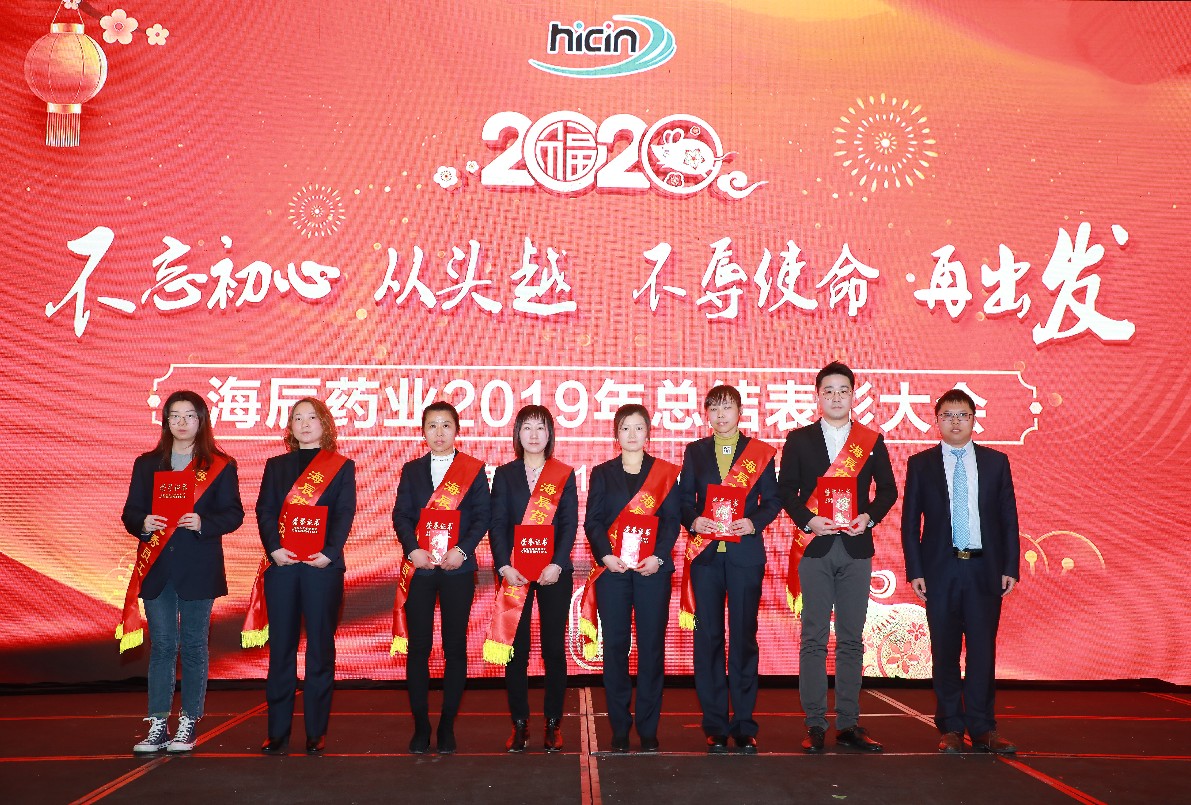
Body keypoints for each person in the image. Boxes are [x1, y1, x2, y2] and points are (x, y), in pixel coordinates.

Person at [777, 362, 897, 754]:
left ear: (853, 395)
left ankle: (848, 724)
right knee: (813, 638)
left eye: (843, 390)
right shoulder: (799, 439)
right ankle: (814, 723)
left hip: (856, 550)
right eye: (828, 390)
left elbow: (888, 490)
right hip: (815, 548)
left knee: (851, 639)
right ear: (818, 395)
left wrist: (869, 517)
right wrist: (808, 519)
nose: (835, 397)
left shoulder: (870, 440)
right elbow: (786, 490)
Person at [121, 390, 244, 754]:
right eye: (174, 416)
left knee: (193, 646)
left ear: (201, 420)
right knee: (162, 646)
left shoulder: (220, 465)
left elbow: (234, 514)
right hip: (157, 566)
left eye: (189, 415)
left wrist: (203, 522)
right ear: (166, 421)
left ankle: (189, 721)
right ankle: (158, 723)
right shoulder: (147, 464)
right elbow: (130, 512)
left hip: (198, 568)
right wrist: (143, 522)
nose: (182, 422)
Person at [901, 388, 1020, 754]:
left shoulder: (996, 463)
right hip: (940, 570)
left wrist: (1010, 566)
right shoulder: (921, 464)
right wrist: (915, 570)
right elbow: (910, 524)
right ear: (937, 421)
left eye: (963, 415)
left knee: (983, 650)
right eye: (948, 415)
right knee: (945, 650)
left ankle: (983, 728)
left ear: (973, 420)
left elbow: (1008, 519)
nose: (955, 422)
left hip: (984, 569)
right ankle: (951, 727)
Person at [679, 385, 780, 754]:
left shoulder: (760, 453)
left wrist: (753, 523)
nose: (721, 415)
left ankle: (744, 725)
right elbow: (683, 500)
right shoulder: (695, 452)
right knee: (708, 640)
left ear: (740, 412)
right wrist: (694, 520)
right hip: (706, 559)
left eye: (728, 408)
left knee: (743, 639)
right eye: (714, 409)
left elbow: (773, 500)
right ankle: (716, 726)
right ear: (706, 413)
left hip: (744, 558)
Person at [255, 397, 357, 755]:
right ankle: (277, 732)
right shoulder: (276, 466)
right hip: (283, 566)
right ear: (290, 427)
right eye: (297, 418)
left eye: (312, 417)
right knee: (281, 649)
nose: (304, 423)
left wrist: (329, 552)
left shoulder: (341, 467)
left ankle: (316, 731)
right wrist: (273, 549)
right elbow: (265, 510)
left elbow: (344, 512)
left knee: (320, 649)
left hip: (321, 568)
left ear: (324, 424)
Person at [392, 401, 490, 755]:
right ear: (423, 432)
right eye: (432, 425)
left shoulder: (472, 470)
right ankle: (421, 726)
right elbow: (401, 515)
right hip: (420, 569)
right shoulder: (412, 470)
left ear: (456, 430)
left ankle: (447, 725)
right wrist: (412, 549)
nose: (439, 432)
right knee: (418, 648)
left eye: (446, 425)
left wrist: (462, 550)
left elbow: (482, 516)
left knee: (454, 648)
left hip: (456, 569)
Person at [583, 404, 681, 752]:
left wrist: (659, 557)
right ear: (616, 434)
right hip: (614, 573)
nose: (632, 434)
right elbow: (593, 521)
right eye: (625, 428)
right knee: (615, 649)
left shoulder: (664, 473)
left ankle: (648, 728)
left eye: (639, 427)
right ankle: (620, 728)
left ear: (648, 432)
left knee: (651, 649)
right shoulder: (601, 473)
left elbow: (672, 521)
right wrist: (605, 556)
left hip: (652, 572)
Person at [487, 405, 578, 752]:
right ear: (518, 434)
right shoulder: (504, 474)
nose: (534, 434)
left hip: (554, 572)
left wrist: (557, 563)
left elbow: (569, 523)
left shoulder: (563, 474)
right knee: (517, 650)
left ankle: (553, 724)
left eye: (541, 428)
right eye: (527, 427)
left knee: (553, 649)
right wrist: (503, 565)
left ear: (550, 434)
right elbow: (497, 523)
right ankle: (520, 724)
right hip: (516, 572)